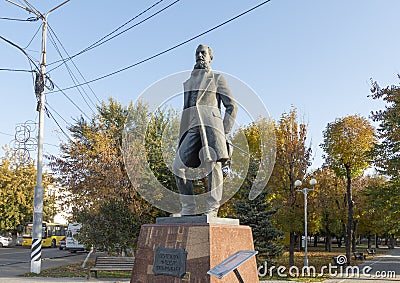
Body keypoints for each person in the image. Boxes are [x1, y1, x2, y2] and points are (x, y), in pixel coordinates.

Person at [173, 44, 237, 217]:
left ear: (210, 57)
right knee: (177, 166)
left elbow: (231, 106)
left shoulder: (217, 78)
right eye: (197, 53)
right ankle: (189, 207)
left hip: (211, 128)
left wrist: (223, 132)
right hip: (192, 128)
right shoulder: (189, 82)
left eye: (203, 53)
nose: (200, 56)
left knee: (212, 167)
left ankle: (212, 208)